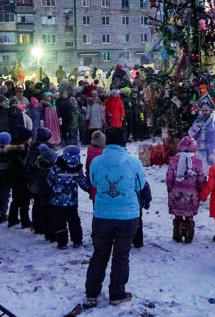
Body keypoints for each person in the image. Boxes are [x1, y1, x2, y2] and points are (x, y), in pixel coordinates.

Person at [84, 127, 146, 309]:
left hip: (102, 214)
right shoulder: (133, 163)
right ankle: (117, 294)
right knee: (121, 255)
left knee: (99, 254)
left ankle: (92, 293)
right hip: (128, 216)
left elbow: (94, 182)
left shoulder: (96, 162)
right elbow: (140, 184)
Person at [45, 144, 90, 249]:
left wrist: (53, 189)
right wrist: (89, 189)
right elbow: (82, 182)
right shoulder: (77, 167)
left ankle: (62, 242)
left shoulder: (57, 166)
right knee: (74, 220)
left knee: (59, 222)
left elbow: (49, 180)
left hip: (57, 200)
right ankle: (77, 240)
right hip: (72, 201)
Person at [165, 136, 207, 243]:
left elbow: (169, 177)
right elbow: (201, 179)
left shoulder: (174, 160)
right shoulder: (197, 162)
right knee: (189, 217)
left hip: (176, 195)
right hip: (191, 196)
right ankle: (189, 233)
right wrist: (201, 190)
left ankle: (177, 232)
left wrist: (169, 189)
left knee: (177, 215)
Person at [188, 94, 215, 170]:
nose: (204, 112)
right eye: (202, 110)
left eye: (206, 110)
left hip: (213, 156)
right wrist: (196, 127)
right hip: (199, 154)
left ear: (210, 111)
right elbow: (191, 136)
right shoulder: (197, 122)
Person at [86, 130, 106, 204]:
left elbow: (88, 170)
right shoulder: (104, 154)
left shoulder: (90, 153)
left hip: (93, 185)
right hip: (104, 187)